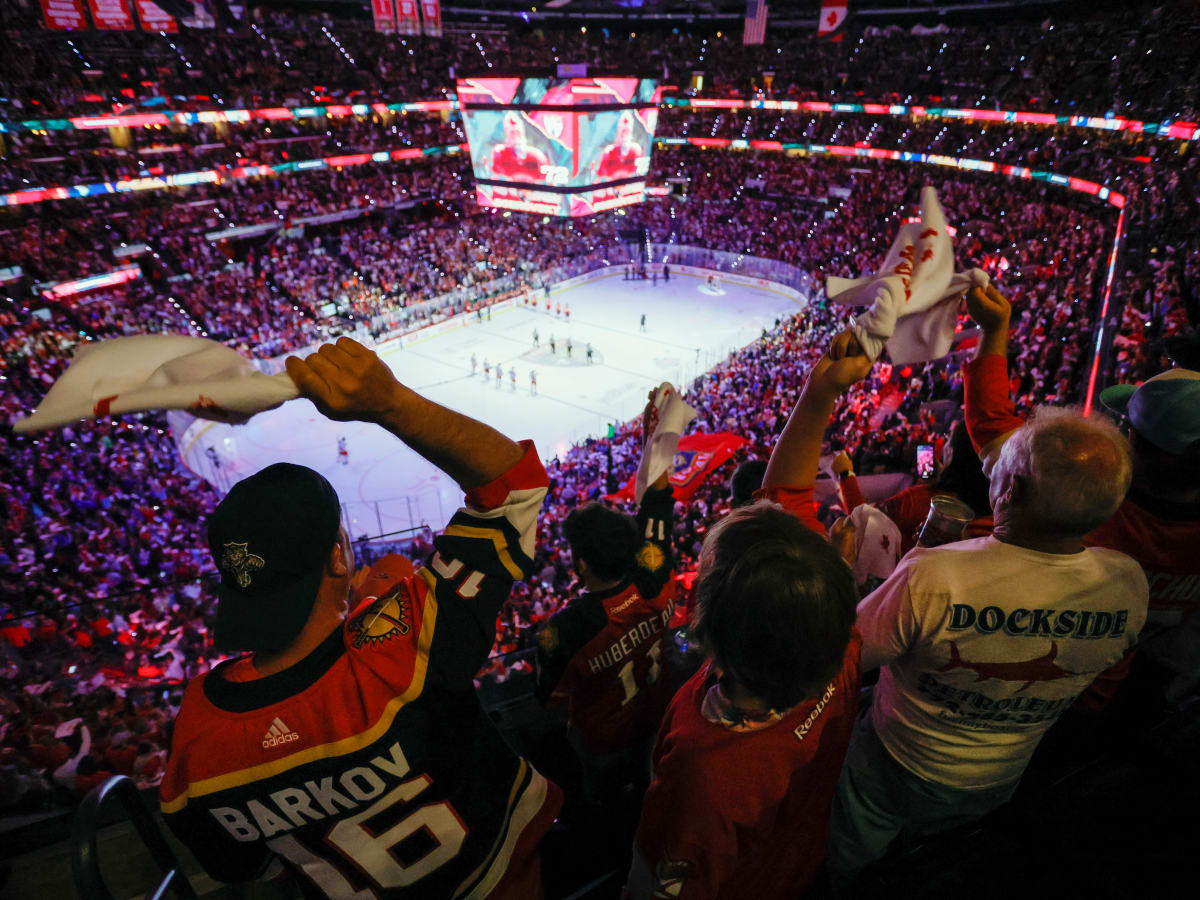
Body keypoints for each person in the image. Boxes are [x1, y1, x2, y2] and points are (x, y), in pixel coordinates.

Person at [160, 337, 561, 898]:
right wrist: (388, 400)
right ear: (340, 556)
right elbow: (514, 486)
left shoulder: (195, 739)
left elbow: (238, 868)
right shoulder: (407, 650)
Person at [825, 284, 1150, 882]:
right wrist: (994, 337)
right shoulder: (1128, 583)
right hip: (1005, 770)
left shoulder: (937, 575)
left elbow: (844, 654)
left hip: (898, 761)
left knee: (854, 840)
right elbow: (995, 429)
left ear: (1010, 491)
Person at [627, 331, 872, 899]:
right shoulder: (836, 641)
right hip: (801, 859)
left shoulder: (703, 773)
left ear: (706, 632)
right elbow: (786, 493)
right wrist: (819, 394)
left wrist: (656, 464)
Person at [965, 286, 1200, 712]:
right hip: (1123, 698)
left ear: (1133, 441)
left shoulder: (1083, 497)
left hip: (1030, 689)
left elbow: (991, 424)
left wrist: (994, 329)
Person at [535, 389, 680, 805]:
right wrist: (656, 435)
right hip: (658, 715)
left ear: (580, 565)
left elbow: (547, 698)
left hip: (603, 742)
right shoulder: (655, 573)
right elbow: (656, 504)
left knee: (603, 802)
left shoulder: (567, 628)